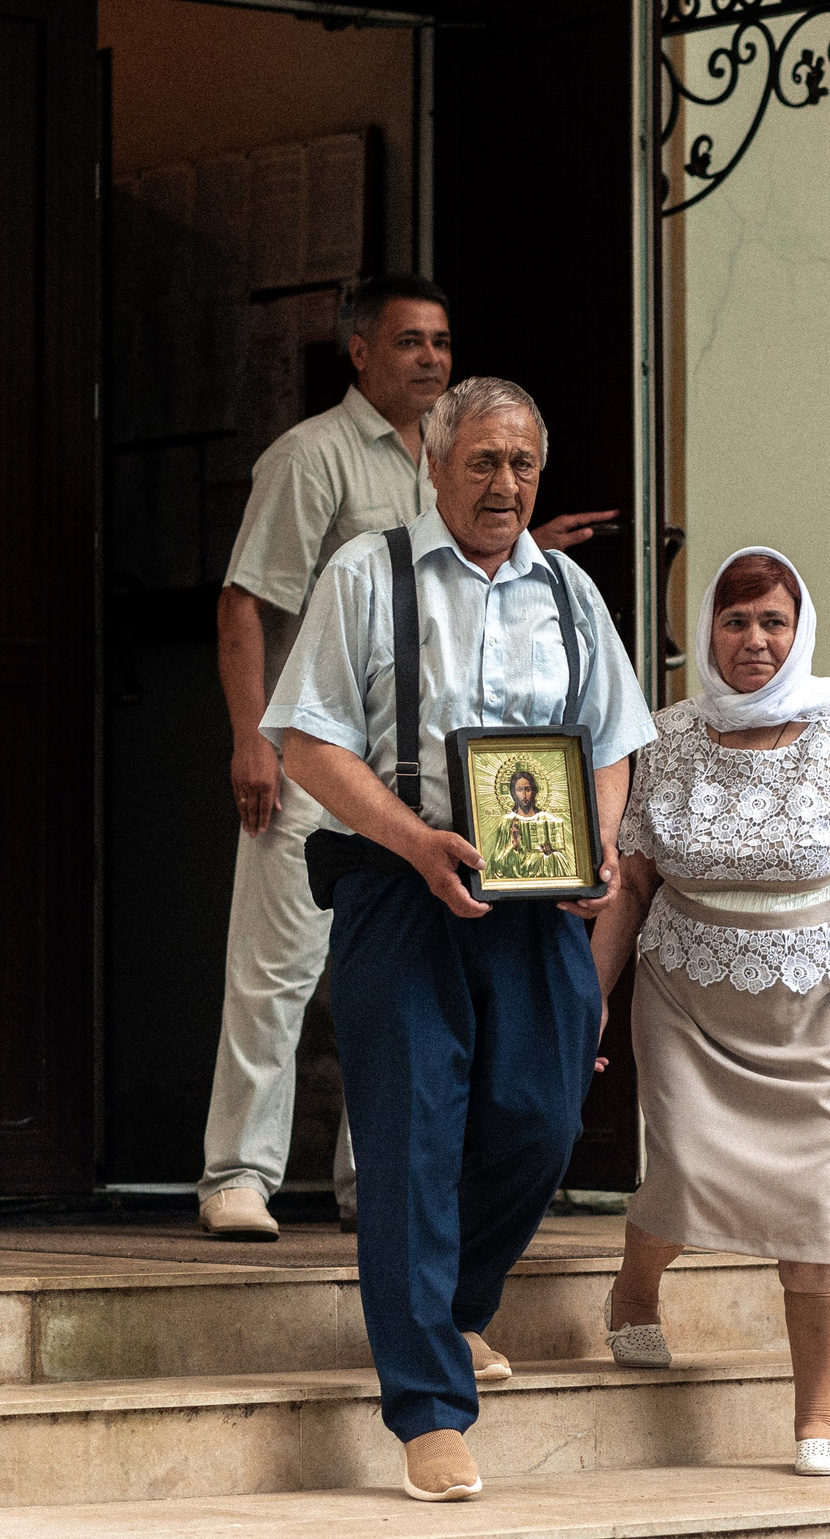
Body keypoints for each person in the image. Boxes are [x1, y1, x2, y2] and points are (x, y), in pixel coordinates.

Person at [263, 377, 656, 1501]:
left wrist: (604, 840)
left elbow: (614, 739)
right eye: (481, 461)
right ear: (433, 468)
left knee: (539, 1119)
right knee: (411, 1140)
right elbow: (305, 741)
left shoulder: (572, 592)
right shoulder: (366, 575)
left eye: (523, 464)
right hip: (402, 890)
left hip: (538, 901)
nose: (504, 484)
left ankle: (455, 1304)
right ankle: (430, 1407)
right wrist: (412, 838)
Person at [201, 277, 615, 1242]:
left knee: (396, 999)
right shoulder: (311, 458)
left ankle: (369, 1185)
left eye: (441, 342)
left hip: (437, 793)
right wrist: (251, 736)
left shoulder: (449, 459)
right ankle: (240, 1174)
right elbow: (244, 604)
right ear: (358, 351)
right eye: (409, 342)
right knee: (278, 972)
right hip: (321, 759)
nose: (431, 358)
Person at [587, 546, 830, 1478]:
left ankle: (816, 1408)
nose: (755, 640)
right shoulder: (662, 737)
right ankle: (633, 1294)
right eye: (736, 620)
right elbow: (629, 886)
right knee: (684, 1170)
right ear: (706, 629)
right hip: (686, 998)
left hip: (820, 1011)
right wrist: (587, 1004)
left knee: (816, 1199)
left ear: (801, 629)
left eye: (773, 620)